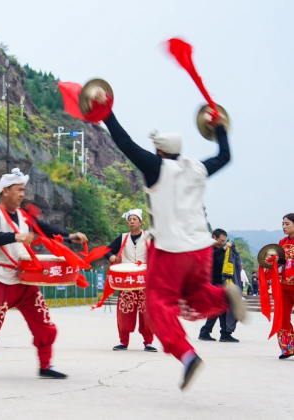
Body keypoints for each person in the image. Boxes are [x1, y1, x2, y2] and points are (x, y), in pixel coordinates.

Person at [92, 89, 245, 390]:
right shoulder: (198, 168)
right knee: (196, 293)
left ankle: (187, 356)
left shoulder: (155, 167)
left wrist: (105, 111)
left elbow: (124, 143)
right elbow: (224, 156)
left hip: (170, 250)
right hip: (200, 248)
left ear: (160, 152)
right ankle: (225, 296)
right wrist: (220, 128)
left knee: (158, 305)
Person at [0, 168, 88, 380]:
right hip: (0, 278)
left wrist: (70, 236)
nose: (22, 194)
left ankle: (46, 365)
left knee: (43, 321)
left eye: (23, 190)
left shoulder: (23, 216)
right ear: (5, 191)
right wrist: (17, 237)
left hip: (24, 278)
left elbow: (45, 229)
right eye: (18, 190)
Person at [104, 209, 156, 352]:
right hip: (127, 281)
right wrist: (111, 256)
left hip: (145, 280)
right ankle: (123, 341)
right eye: (129, 219)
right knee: (124, 312)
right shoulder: (123, 238)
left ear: (141, 222)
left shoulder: (149, 237)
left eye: (134, 219)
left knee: (147, 312)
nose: (131, 221)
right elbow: (106, 250)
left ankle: (148, 342)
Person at [198, 229, 240, 343]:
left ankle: (211, 332)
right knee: (220, 308)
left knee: (221, 308)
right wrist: (223, 248)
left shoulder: (221, 250)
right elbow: (209, 256)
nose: (222, 243)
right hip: (212, 283)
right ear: (214, 237)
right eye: (221, 241)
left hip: (221, 283)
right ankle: (220, 333)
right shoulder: (207, 248)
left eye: (224, 241)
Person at [276, 213, 294, 359]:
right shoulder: (282, 242)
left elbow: (287, 260)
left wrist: (282, 259)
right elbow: (281, 262)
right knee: (282, 316)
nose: (284, 226)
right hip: (284, 286)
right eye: (283, 223)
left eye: (287, 224)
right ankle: (288, 348)